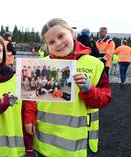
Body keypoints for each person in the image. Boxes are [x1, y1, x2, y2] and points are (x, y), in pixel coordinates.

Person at [22, 18, 112, 157]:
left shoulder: (95, 64)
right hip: (46, 141)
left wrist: (89, 89)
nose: (58, 43)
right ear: (47, 46)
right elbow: (30, 99)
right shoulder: (39, 65)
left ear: (71, 33)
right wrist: (28, 118)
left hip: (78, 143)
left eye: (61, 36)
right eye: (51, 42)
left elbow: (104, 99)